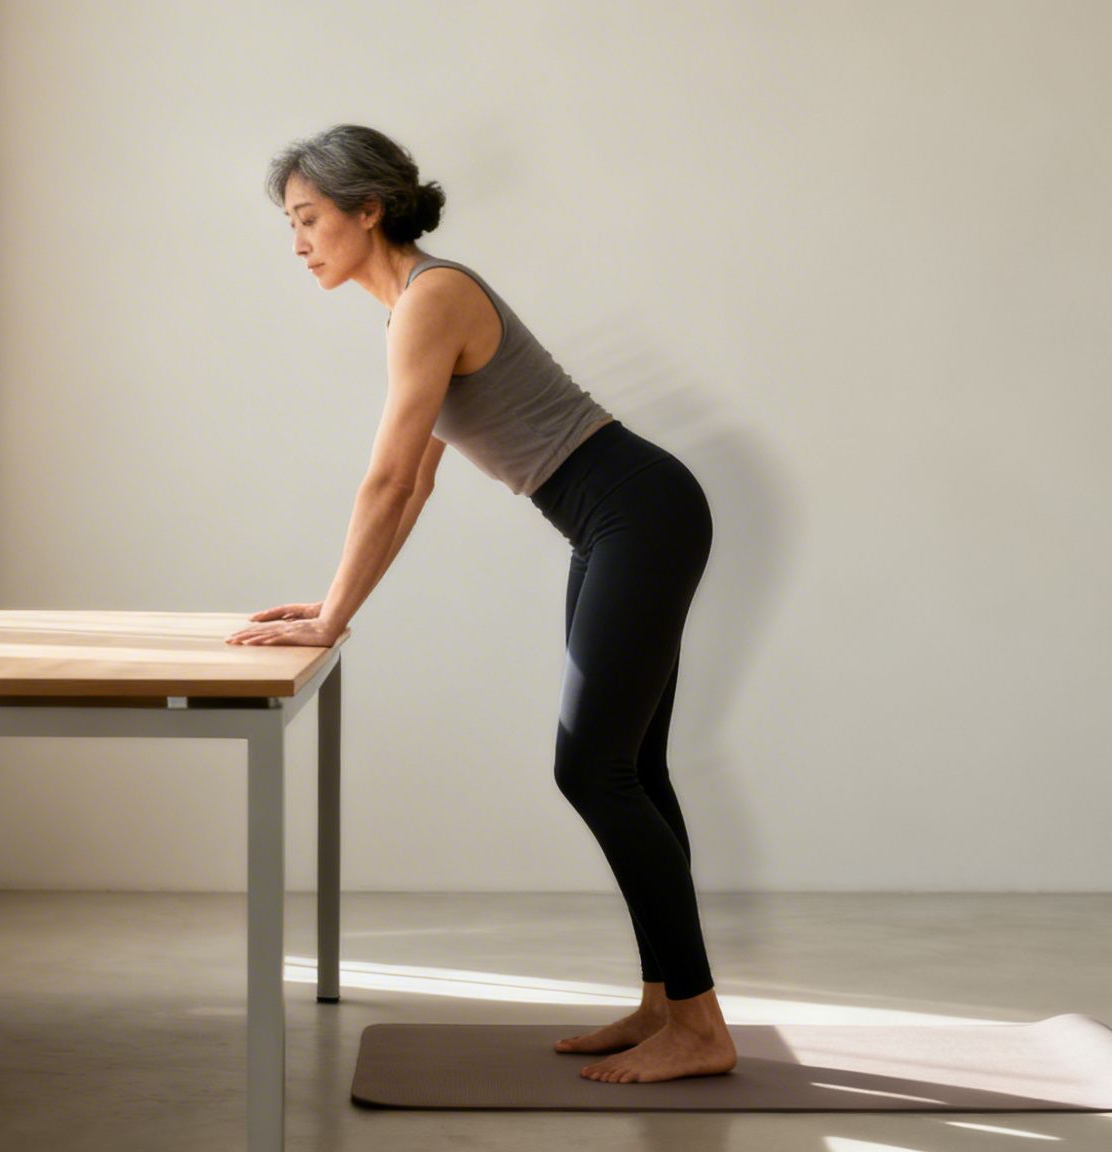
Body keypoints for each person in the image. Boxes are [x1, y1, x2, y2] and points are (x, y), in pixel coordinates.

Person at [226, 125, 735, 1084]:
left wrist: (333, 617)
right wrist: (336, 603)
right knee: (633, 770)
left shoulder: (435, 296)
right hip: (617, 522)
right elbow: (412, 485)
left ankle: (703, 1027)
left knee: (593, 770)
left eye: (308, 219)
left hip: (641, 511)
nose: (296, 242)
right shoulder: (415, 309)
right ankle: (666, 1005)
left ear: (366, 209)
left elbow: (382, 482)